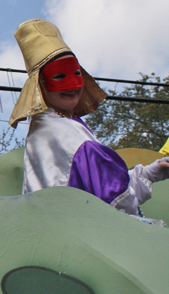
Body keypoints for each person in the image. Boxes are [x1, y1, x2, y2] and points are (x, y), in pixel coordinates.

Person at [9, 18, 169, 215]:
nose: (73, 85)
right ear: (39, 84)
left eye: (76, 73)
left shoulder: (60, 122)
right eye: (59, 76)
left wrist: (148, 174)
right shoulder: (59, 132)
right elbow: (113, 196)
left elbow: (101, 183)